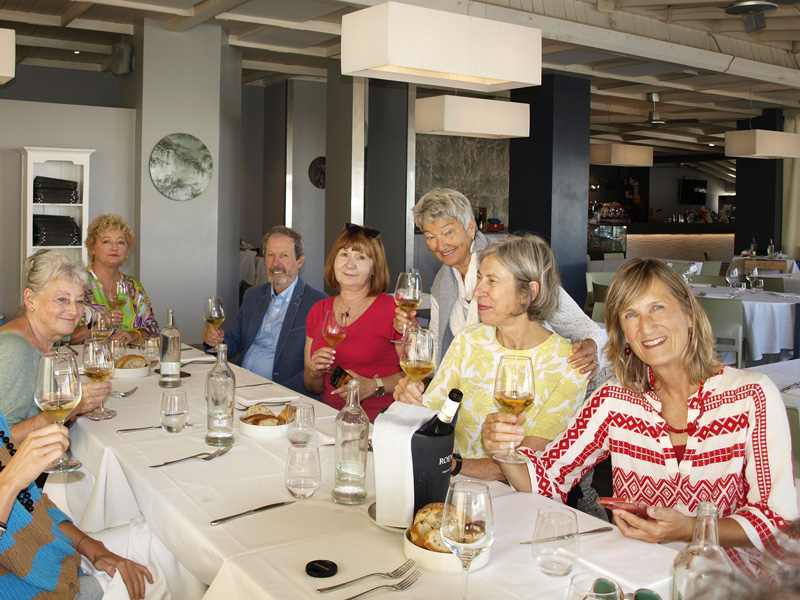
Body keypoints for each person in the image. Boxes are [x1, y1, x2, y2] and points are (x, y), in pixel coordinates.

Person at [482, 258, 797, 571]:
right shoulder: (614, 399)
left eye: (658, 307)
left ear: (689, 314)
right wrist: (504, 451)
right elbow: (546, 479)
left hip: (730, 583)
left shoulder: (751, 395)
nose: (646, 326)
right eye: (631, 314)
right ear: (624, 335)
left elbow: (779, 519)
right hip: (637, 576)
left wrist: (690, 528)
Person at [394, 235, 590, 483]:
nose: (477, 291)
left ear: (528, 292)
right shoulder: (469, 340)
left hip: (519, 502)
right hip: (455, 482)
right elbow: (433, 415)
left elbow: (529, 464)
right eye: (479, 278)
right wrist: (410, 403)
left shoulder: (570, 364)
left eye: (492, 281)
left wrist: (451, 464)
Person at [395, 188, 605, 382]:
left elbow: (583, 326)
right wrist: (415, 334)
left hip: (525, 382)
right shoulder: (442, 281)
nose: (440, 245)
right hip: (471, 391)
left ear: (470, 226)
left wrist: (590, 346)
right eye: (430, 236)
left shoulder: (510, 262)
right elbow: (439, 356)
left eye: (448, 232)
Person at [0, 413, 154, 599]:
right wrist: (9, 483)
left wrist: (94, 550)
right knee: (160, 576)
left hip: (59, 565)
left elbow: (35, 504)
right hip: (40, 591)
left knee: (164, 541)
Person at [203, 226, 326, 396]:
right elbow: (232, 341)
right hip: (240, 383)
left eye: (284, 255)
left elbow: (315, 369)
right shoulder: (253, 295)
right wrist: (216, 341)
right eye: (270, 255)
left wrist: (274, 392)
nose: (275, 263)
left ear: (300, 261)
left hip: (281, 393)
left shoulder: (318, 303)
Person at [0, 250, 109, 439]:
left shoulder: (48, 341)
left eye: (79, 301)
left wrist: (72, 408)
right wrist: (70, 407)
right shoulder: (15, 349)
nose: (74, 310)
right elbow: (4, 440)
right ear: (30, 299)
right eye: (62, 299)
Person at [304, 224, 402, 421]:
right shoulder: (319, 310)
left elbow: (415, 377)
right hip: (328, 419)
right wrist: (315, 373)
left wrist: (374, 386)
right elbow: (311, 386)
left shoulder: (394, 311)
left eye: (361, 257)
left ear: (375, 268)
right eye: (344, 254)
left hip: (379, 424)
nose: (350, 264)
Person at [70, 214, 158, 345]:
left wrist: (133, 335)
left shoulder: (133, 287)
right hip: (86, 361)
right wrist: (100, 324)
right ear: (92, 248)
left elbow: (153, 328)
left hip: (127, 360)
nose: (114, 247)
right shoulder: (76, 282)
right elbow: (65, 338)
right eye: (107, 241)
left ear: (127, 250)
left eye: (121, 242)